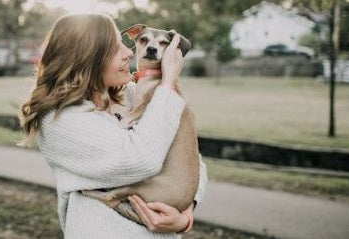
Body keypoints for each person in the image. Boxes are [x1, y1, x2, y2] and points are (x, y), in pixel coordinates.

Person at [18, 13, 208, 239]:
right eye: (116, 48)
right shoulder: (60, 120)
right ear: (88, 58)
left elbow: (192, 160)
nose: (129, 52)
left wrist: (185, 216)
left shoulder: (131, 95)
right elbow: (141, 159)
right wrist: (168, 82)